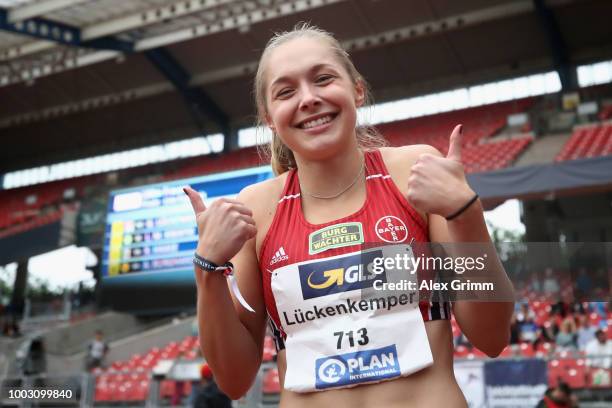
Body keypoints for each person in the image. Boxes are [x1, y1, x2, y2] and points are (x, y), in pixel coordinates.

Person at [184, 23, 514, 406]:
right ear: (269, 116)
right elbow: (235, 379)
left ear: (357, 89)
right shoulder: (256, 208)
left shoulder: (414, 171)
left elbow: (492, 338)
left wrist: (466, 214)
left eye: (323, 79)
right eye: (286, 91)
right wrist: (206, 268)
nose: (308, 99)